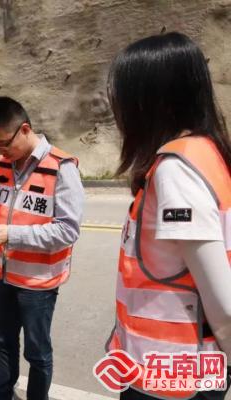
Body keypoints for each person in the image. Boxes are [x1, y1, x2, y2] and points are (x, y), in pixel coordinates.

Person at [104, 32, 231, 399]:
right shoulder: (208, 153)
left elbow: (223, 302)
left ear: (150, 102)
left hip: (172, 378)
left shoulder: (176, 170)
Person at [0, 96, 84, 400]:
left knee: (37, 352)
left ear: (25, 129)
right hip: (5, 274)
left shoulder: (61, 168)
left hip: (38, 282)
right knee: (2, 341)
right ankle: (2, 394)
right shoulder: (3, 163)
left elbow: (67, 230)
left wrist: (12, 234)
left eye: (4, 143)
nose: (0, 151)